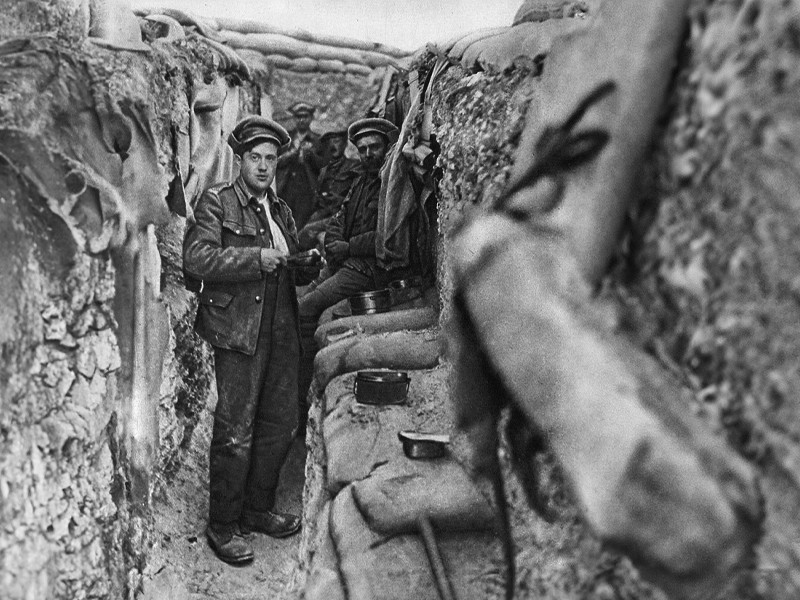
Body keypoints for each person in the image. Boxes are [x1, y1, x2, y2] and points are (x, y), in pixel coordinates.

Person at [183, 116, 320, 565]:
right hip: (239, 328)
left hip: (282, 325)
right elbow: (197, 257)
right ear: (239, 160)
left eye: (270, 159)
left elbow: (287, 262)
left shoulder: (280, 209)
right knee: (235, 430)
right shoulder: (217, 202)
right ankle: (223, 524)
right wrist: (253, 258)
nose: (263, 167)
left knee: (280, 423)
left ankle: (256, 509)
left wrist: (305, 264)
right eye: (255, 158)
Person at [297, 129, 359, 251]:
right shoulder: (324, 170)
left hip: (342, 215)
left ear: (345, 144)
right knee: (298, 236)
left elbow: (359, 197)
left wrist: (339, 199)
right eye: (329, 142)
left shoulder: (354, 166)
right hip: (324, 212)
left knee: (307, 232)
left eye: (336, 141)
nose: (332, 145)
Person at [277, 101, 322, 230]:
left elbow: (322, 167)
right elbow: (276, 162)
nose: (302, 120)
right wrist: (292, 154)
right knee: (284, 223)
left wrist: (311, 154)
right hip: (286, 188)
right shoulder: (285, 138)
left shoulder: (317, 140)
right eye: (298, 117)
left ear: (311, 118)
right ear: (294, 118)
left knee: (301, 225)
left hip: (307, 190)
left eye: (305, 116)